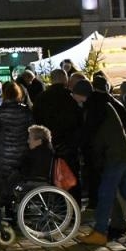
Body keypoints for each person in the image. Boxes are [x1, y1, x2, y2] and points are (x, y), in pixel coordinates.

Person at [73, 78, 126, 246]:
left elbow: (89, 133)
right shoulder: (101, 103)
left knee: (105, 192)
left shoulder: (94, 107)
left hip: (114, 155)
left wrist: (73, 144)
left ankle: (100, 231)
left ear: (79, 94)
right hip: (122, 153)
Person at [33, 70, 83, 198]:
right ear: (65, 80)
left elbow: (36, 123)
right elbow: (79, 122)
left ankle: (58, 209)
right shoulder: (72, 98)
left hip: (49, 146)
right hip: (69, 145)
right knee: (71, 178)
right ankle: (73, 209)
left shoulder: (41, 98)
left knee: (52, 178)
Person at [0, 81, 32, 176]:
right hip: (23, 152)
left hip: (5, 153)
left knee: (6, 179)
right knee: (22, 179)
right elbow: (32, 129)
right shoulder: (25, 110)